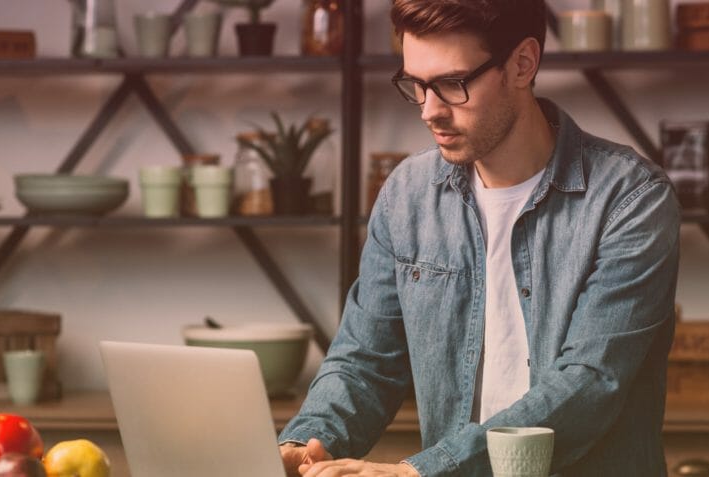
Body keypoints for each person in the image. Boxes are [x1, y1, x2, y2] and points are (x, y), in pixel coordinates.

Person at [278, 0, 680, 475]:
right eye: (416, 85)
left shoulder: (631, 199)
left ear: (522, 64)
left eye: (452, 84)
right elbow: (365, 362)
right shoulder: (406, 196)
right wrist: (302, 446)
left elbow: (591, 382)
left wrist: (419, 472)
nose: (429, 111)